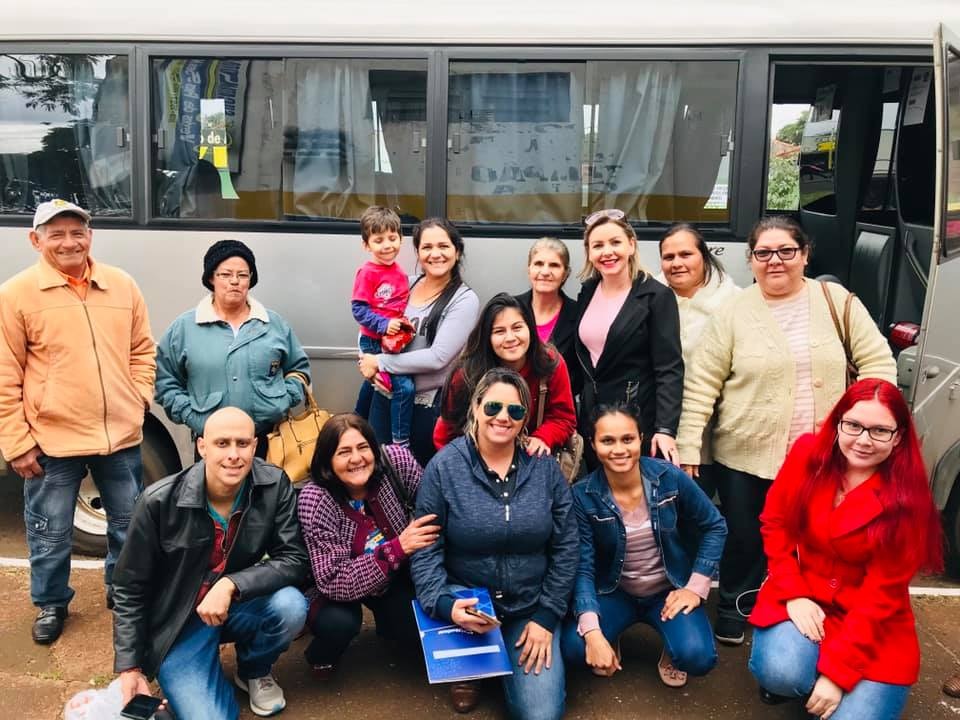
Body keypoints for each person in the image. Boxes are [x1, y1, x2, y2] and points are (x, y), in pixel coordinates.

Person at [676, 216, 897, 646]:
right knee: (746, 536)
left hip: (827, 455)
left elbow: (879, 364)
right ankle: (736, 605)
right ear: (751, 260)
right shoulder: (733, 312)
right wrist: (689, 445)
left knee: (815, 540)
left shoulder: (835, 300)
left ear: (805, 255)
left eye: (786, 251)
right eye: (764, 253)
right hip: (745, 452)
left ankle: (805, 613)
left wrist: (864, 422)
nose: (775, 261)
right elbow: (702, 383)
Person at [0, 199, 155, 645]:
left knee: (130, 525)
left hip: (119, 436)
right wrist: (17, 442)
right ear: (36, 240)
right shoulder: (16, 294)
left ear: (90, 236)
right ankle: (51, 603)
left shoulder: (121, 285)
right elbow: (5, 374)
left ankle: (122, 591)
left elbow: (143, 351)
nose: (69, 242)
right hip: (52, 439)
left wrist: (138, 396)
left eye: (77, 232)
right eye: (56, 233)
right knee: (49, 531)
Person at [748, 379, 942, 720]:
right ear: (838, 422)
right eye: (853, 425)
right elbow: (774, 523)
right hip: (804, 590)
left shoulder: (908, 498)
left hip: (869, 616)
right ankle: (803, 677)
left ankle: (824, 678)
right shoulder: (808, 454)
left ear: (898, 437)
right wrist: (793, 592)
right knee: (781, 672)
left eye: (880, 430)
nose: (863, 440)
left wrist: (837, 674)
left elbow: (882, 596)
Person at [112, 407, 309, 720]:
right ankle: (197, 670)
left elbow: (295, 558)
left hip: (237, 605)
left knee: (292, 606)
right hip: (178, 623)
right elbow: (128, 587)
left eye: (242, 444)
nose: (233, 454)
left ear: (255, 446)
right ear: (202, 446)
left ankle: (253, 669)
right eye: (222, 443)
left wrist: (232, 585)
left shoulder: (274, 485)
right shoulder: (158, 501)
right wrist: (130, 666)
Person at [412, 367, 578, 719]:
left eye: (515, 411)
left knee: (541, 714)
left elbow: (567, 546)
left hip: (528, 606)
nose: (503, 417)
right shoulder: (444, 468)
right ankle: (474, 667)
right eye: (493, 408)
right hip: (468, 601)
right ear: (475, 407)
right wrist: (444, 605)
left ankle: (501, 659)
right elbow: (426, 548)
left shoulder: (544, 469)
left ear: (525, 419)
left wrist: (547, 616)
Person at [561, 402, 726, 688]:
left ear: (641, 438)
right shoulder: (581, 496)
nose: (619, 449)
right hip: (615, 591)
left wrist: (695, 588)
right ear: (593, 444)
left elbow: (715, 525)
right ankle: (612, 633)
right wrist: (593, 632)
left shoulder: (668, 477)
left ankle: (671, 648)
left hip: (667, 590)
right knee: (575, 649)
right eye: (607, 441)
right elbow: (583, 566)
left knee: (698, 657)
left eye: (627, 439)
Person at [297, 413, 439, 673]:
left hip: (395, 576)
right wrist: (398, 548)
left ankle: (390, 626)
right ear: (328, 460)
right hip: (335, 588)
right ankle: (322, 653)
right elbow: (333, 580)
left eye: (363, 447)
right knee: (340, 623)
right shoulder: (315, 498)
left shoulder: (396, 462)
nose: (356, 458)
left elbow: (433, 513)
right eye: (343, 452)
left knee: (415, 631)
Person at [155, 239, 310, 457]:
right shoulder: (185, 328)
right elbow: (165, 381)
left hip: (268, 441)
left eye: (243, 275)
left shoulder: (273, 325)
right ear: (211, 278)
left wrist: (282, 401)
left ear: (250, 280)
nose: (234, 282)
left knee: (265, 491)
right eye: (225, 275)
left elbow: (299, 370)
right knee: (214, 492)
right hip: (210, 442)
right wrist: (192, 416)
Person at [359, 218, 480, 466]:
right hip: (384, 396)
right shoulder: (407, 283)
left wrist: (379, 362)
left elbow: (438, 358)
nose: (435, 254)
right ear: (417, 252)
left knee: (413, 477)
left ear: (457, 251)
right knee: (377, 471)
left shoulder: (464, 300)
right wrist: (365, 355)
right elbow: (372, 317)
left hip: (425, 407)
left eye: (443, 246)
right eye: (426, 247)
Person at [574, 209, 683, 468]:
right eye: (597, 245)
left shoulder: (656, 296)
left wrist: (666, 429)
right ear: (589, 252)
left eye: (615, 242)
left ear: (631, 245)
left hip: (635, 423)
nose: (607, 252)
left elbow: (669, 368)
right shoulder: (587, 291)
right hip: (593, 422)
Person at [433, 293, 576, 456]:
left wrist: (543, 438)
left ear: (530, 328)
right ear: (487, 337)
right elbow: (446, 431)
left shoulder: (549, 363)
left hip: (529, 457)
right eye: (499, 331)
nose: (510, 338)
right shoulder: (467, 373)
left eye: (517, 328)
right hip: (476, 460)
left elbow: (564, 417)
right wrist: (457, 467)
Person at [656, 223, 740, 499]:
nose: (677, 263)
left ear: (703, 255)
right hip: (662, 430)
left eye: (685, 254)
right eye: (669, 257)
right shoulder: (649, 300)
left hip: (720, 434)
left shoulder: (735, 303)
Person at [351, 206, 416, 447]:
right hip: (374, 341)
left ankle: (356, 420)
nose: (388, 245)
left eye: (392, 238)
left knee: (378, 385)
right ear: (366, 246)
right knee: (404, 389)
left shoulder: (400, 272)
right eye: (379, 240)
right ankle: (401, 443)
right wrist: (384, 324)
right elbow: (358, 309)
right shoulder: (367, 273)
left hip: (393, 341)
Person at [515, 237, 579, 374]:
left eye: (554, 265)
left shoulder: (579, 314)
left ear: (565, 274)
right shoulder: (511, 309)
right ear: (529, 269)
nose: (545, 272)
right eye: (538, 264)